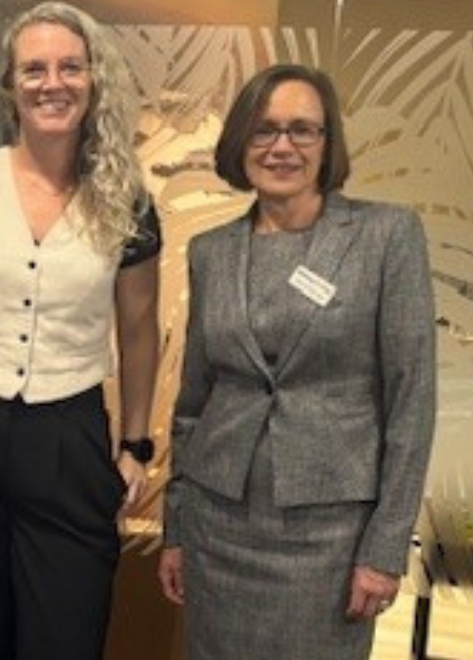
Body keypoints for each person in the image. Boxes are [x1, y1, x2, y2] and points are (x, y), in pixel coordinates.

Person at [157, 64, 437, 660]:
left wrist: (385, 548)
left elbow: (412, 403)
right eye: (264, 131)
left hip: (329, 543)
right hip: (218, 528)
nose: (281, 147)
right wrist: (176, 528)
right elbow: (193, 403)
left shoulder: (386, 238)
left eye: (302, 131)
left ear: (327, 143)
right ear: (240, 143)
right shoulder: (212, 252)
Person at [0, 0, 161, 660]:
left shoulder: (126, 196)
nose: (53, 83)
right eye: (34, 68)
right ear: (11, 86)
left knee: (65, 634)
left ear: (93, 80)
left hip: (69, 436)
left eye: (71, 67)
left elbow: (138, 327)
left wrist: (135, 444)